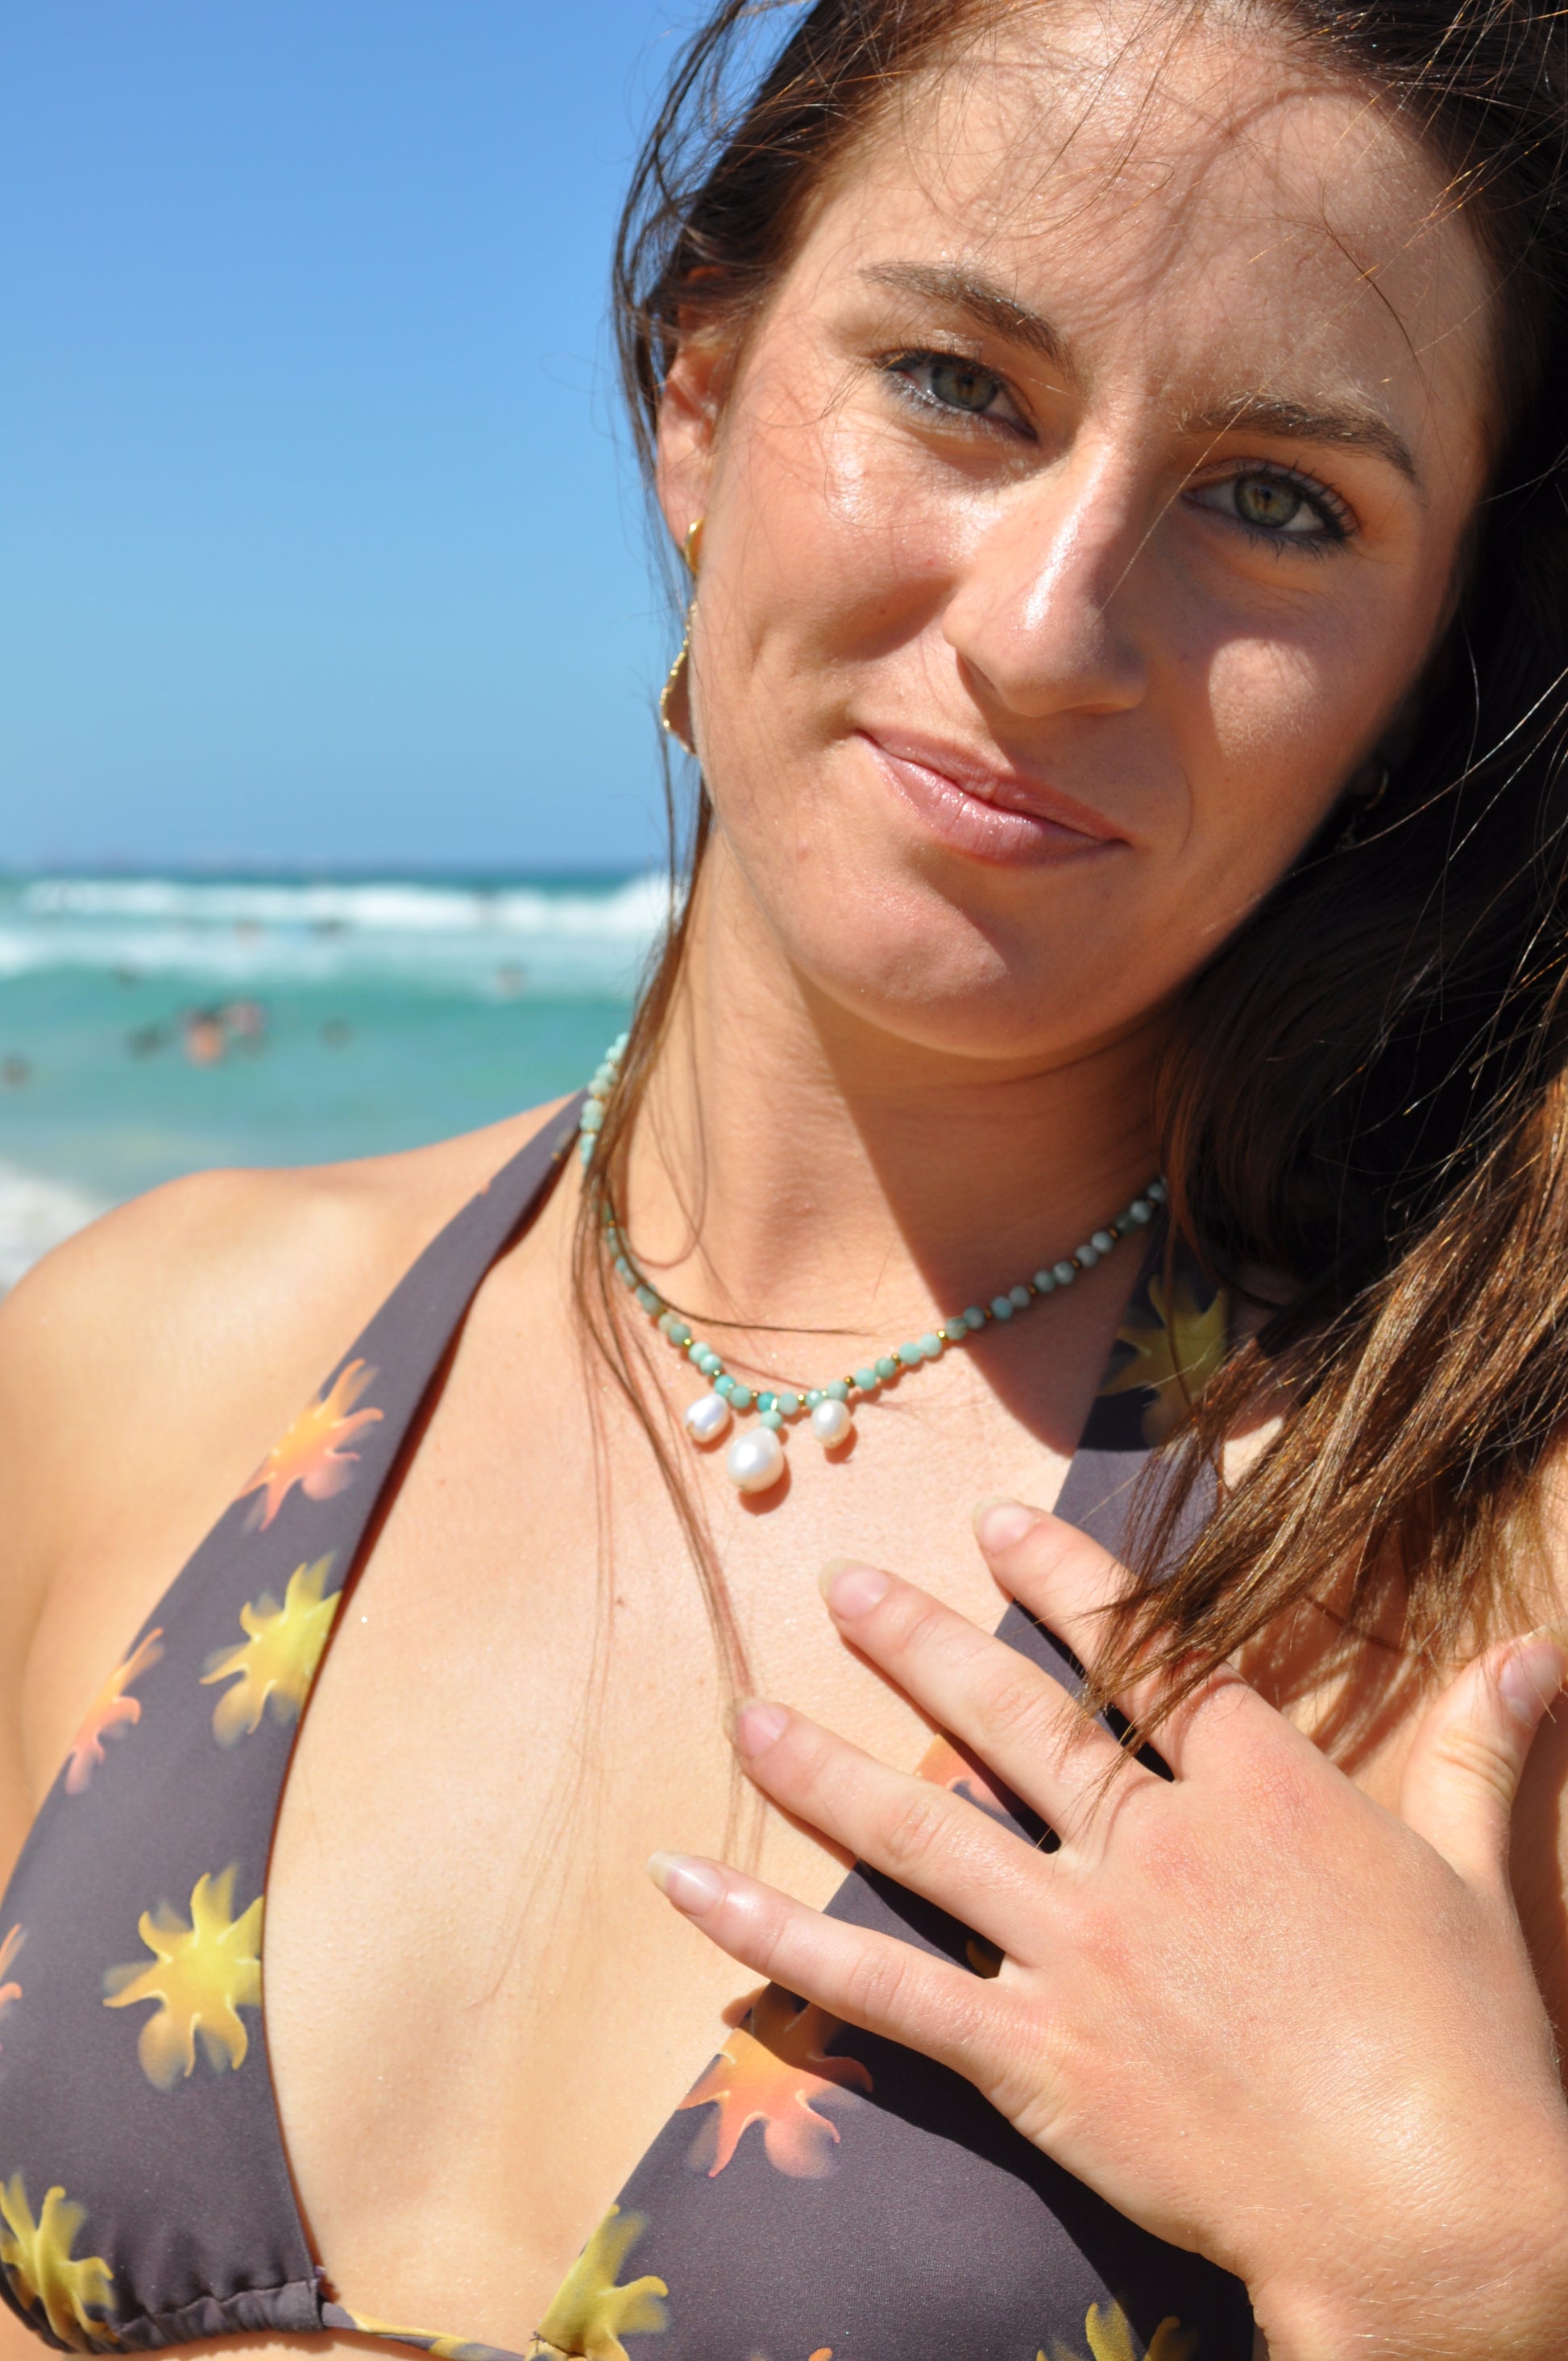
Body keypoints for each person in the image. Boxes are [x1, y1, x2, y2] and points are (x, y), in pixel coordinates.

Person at [3, 3, 1568, 2357]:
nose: (1048, 631)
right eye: (958, 384)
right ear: (699, 397)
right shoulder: (135, 1367)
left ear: (1422, 665)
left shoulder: (1475, 1592)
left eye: (1277, 502)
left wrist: (1470, 2279)